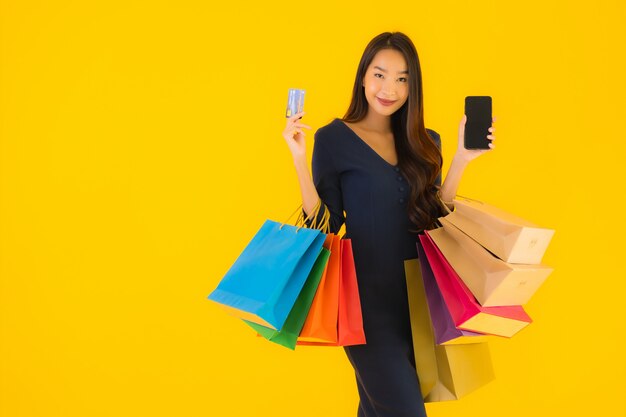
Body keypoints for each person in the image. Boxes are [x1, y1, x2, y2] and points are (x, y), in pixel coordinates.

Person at [281, 31, 496, 417]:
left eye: (402, 79)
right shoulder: (333, 139)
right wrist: (299, 159)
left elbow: (433, 220)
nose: (389, 88)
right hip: (364, 304)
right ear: (363, 76)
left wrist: (462, 158)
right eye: (380, 74)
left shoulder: (426, 141)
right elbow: (325, 226)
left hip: (417, 303)